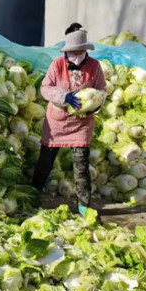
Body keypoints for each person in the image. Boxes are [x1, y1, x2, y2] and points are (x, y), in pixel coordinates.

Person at [32, 28, 107, 216]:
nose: (74, 57)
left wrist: (94, 106)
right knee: (45, 161)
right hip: (56, 122)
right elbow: (45, 88)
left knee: (81, 164)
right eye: (71, 53)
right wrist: (64, 96)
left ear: (85, 52)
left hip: (81, 123)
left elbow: (101, 90)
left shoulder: (94, 66)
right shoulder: (57, 64)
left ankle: (84, 205)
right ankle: (33, 195)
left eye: (78, 53)